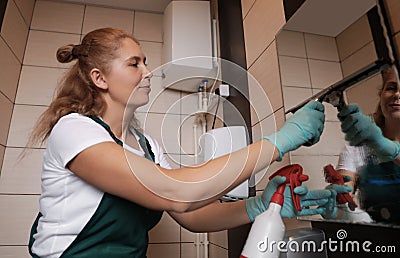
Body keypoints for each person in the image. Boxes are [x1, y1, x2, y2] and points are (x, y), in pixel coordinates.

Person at [27, 28, 339, 258]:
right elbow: (179, 193)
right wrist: (279, 142)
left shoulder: (145, 144)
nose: (148, 72)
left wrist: (257, 207)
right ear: (100, 78)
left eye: (145, 62)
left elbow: (191, 215)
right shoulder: (75, 130)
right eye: (134, 64)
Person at [336, 66, 400, 222]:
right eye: (391, 88)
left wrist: (389, 149)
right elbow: (343, 191)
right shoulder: (358, 146)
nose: (397, 94)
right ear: (381, 96)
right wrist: (339, 202)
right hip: (376, 238)